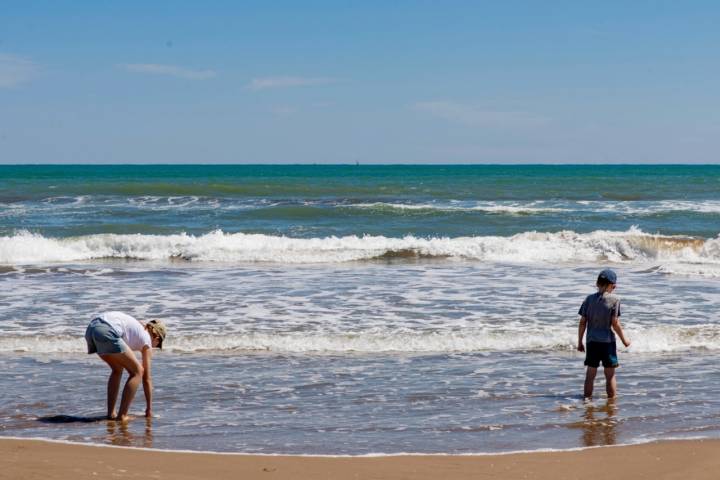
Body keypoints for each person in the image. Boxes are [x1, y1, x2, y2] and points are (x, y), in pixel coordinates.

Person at [85, 311, 167, 421]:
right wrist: (149, 409)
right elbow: (146, 378)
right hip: (107, 330)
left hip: (92, 329)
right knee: (138, 371)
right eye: (158, 345)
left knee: (117, 369)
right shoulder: (147, 340)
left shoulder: (139, 329)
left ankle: (111, 413)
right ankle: (122, 415)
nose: (155, 347)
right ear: (156, 337)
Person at [577, 269, 630, 399]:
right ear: (614, 285)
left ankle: (587, 401)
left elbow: (582, 322)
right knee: (610, 375)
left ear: (597, 283)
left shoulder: (588, 299)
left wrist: (580, 342)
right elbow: (615, 323)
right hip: (607, 343)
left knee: (590, 374)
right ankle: (611, 402)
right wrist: (624, 340)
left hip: (591, 342)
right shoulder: (615, 299)